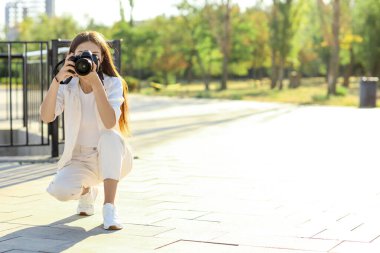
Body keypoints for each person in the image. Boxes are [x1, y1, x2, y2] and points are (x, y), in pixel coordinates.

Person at [39, 31, 133, 230]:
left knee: (110, 136)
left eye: (94, 54)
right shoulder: (67, 85)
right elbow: (47, 117)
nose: (87, 58)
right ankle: (87, 192)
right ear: (71, 56)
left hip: (111, 156)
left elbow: (109, 123)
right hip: (79, 159)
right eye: (82, 53)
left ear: (102, 59)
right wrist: (57, 80)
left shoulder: (112, 83)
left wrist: (97, 84)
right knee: (60, 191)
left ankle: (109, 207)